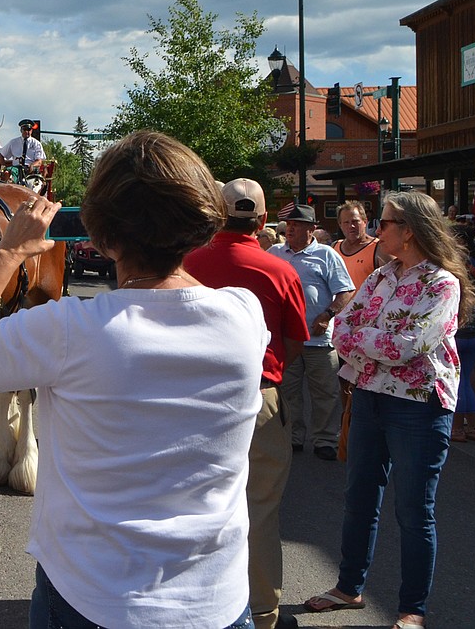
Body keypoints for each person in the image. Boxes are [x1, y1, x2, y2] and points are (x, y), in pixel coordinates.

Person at [0, 131, 266, 629]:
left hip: (93, 598)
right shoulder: (244, 314)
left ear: (103, 237)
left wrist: (8, 254)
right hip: (217, 600)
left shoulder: (70, 329)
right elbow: (186, 294)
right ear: (198, 227)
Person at [305, 191, 475, 629]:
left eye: (385, 222)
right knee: (359, 498)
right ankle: (349, 587)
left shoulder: (442, 283)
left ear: (411, 230)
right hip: (369, 395)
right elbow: (343, 325)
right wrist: (369, 341)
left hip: (419, 406)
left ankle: (412, 610)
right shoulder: (382, 277)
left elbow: (408, 347)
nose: (378, 229)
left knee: (414, 511)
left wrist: (365, 341)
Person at [186, 178, 309, 629]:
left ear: (218, 216)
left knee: (195, 504)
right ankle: (261, 612)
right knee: (259, 509)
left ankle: (197, 605)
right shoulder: (280, 271)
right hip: (259, 398)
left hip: (195, 400)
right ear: (262, 220)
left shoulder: (188, 263)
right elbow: (295, 342)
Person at [269, 205, 355, 460]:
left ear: (311, 228)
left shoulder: (326, 255)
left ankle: (325, 439)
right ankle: (293, 437)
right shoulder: (275, 253)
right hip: (288, 338)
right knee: (288, 391)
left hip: (319, 339)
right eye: (288, 224)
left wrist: (327, 316)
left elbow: (345, 291)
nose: (290, 228)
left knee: (325, 393)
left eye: (296, 224)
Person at [451, 223, 475, 442]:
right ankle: (472, 427)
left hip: (460, 327)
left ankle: (457, 428)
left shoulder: (456, 265)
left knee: (458, 379)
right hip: (473, 328)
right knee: (468, 374)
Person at [333, 201, 393, 291]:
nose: (351, 226)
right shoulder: (334, 248)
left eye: (355, 221)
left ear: (365, 222)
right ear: (340, 225)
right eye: (346, 222)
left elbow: (393, 282)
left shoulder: (380, 248)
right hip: (342, 305)